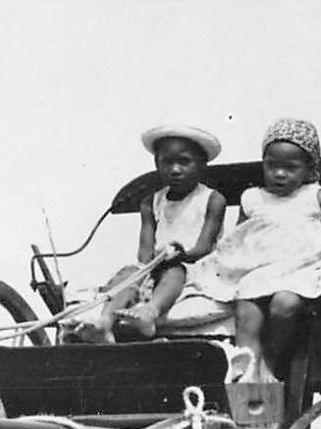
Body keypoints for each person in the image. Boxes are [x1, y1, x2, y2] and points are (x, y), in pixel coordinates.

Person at [192, 117, 321, 381]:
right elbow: (239, 237)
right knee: (247, 313)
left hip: (299, 268)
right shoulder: (252, 197)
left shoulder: (316, 196)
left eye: (290, 168)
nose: (279, 174)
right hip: (258, 270)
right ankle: (247, 378)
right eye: (272, 166)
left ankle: (270, 358)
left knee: (284, 304)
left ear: (310, 171)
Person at [69, 124, 228, 343]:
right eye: (167, 162)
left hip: (193, 266)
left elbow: (204, 247)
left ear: (202, 165)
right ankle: (104, 322)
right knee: (128, 273)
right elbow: (145, 252)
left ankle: (150, 312)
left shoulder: (213, 200)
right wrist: (148, 266)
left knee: (174, 271)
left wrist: (180, 254)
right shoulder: (150, 203)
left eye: (184, 161)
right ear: (156, 164)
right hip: (157, 266)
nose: (175, 169)